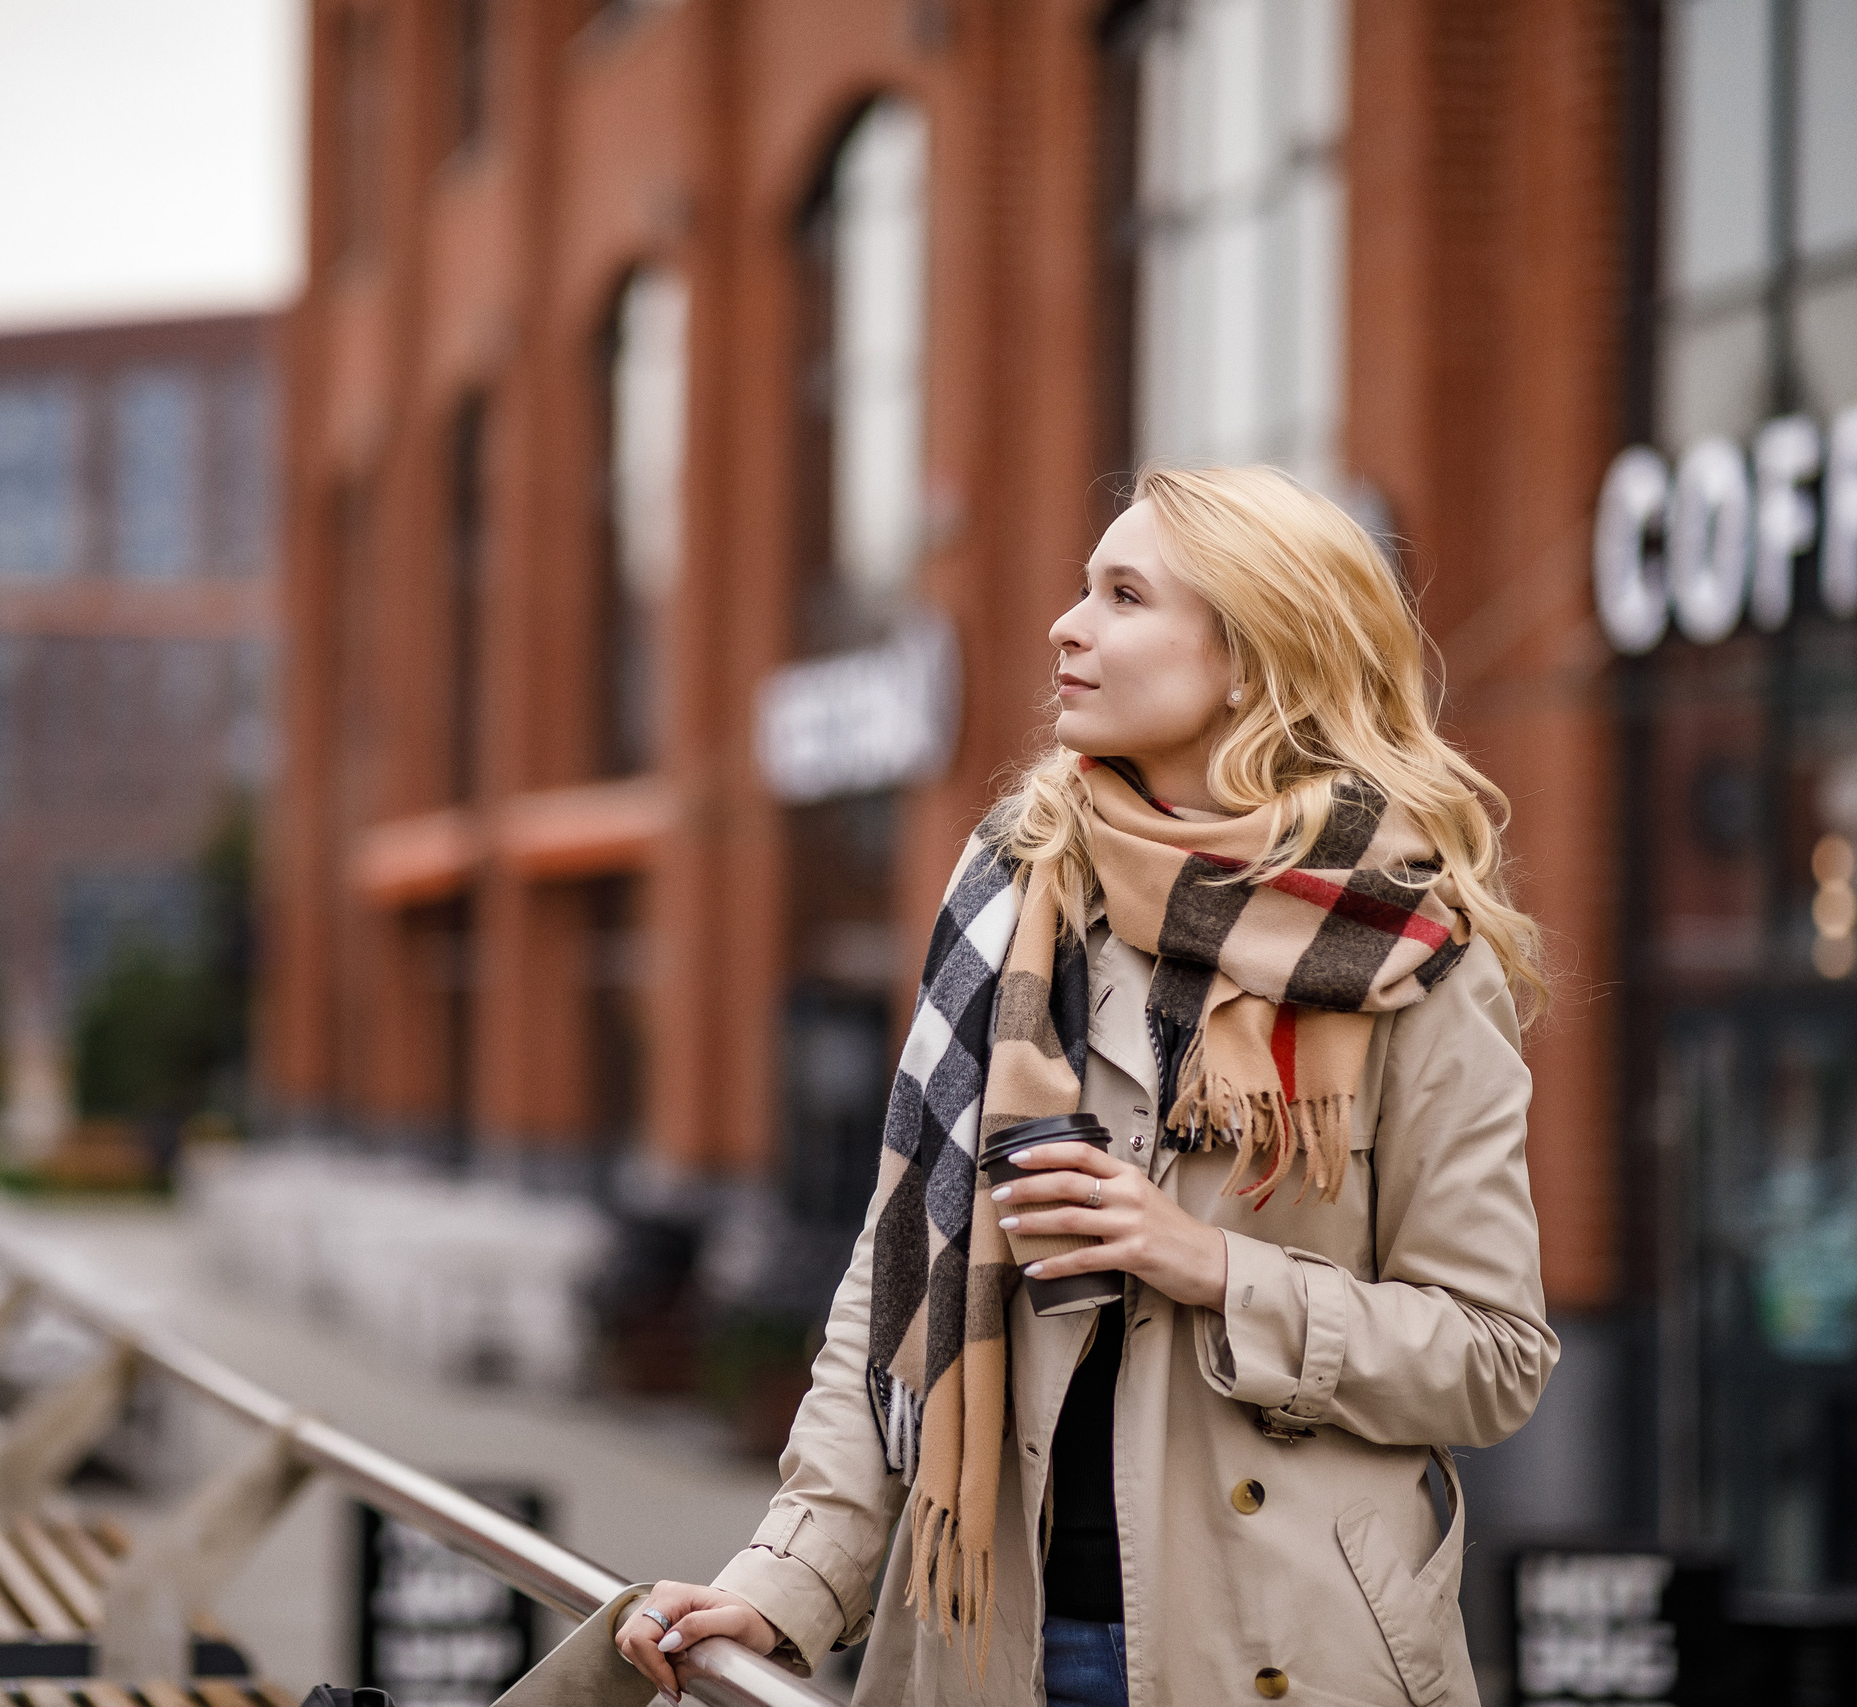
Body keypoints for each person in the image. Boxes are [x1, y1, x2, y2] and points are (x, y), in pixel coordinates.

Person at [618, 467, 1558, 1704]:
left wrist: (1212, 1267)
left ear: (1252, 662)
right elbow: (899, 1273)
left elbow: (1494, 1356)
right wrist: (786, 1581)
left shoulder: (1416, 961)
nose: (1067, 626)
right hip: (990, 1639)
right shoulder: (1014, 903)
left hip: (1284, 1652)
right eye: (1081, 588)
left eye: (1124, 596)